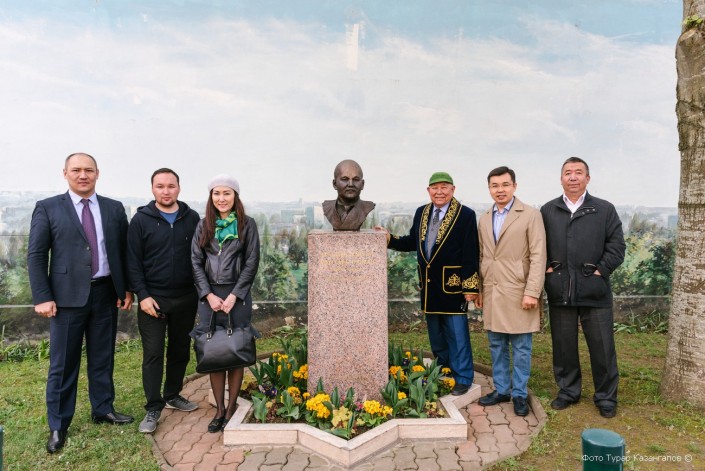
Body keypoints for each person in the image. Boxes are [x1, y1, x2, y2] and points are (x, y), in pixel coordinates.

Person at [27, 153, 134, 454]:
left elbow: (123, 252)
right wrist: (42, 296)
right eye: (76, 170)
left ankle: (103, 409)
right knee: (63, 364)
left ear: (98, 173)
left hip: (106, 293)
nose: (83, 175)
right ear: (65, 173)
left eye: (89, 170)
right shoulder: (48, 207)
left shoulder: (113, 208)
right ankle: (59, 424)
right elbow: (36, 255)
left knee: (103, 357)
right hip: (65, 299)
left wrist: (126, 288)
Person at [380, 172, 480, 395]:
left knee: (457, 334)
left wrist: (470, 287)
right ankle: (443, 369)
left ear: (453, 189)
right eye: (435, 188)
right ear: (428, 190)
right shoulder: (422, 212)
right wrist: (390, 239)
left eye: (444, 187)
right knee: (436, 334)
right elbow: (413, 241)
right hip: (429, 285)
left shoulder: (465, 215)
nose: (439, 192)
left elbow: (470, 252)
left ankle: (463, 377)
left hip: (453, 285)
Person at [541, 157, 625, 418]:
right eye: (568, 172)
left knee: (602, 348)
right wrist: (548, 270)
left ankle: (606, 397)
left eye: (579, 172)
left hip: (595, 290)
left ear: (588, 178)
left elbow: (617, 246)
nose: (573, 177)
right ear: (561, 179)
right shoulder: (548, 210)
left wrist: (600, 270)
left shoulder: (604, 209)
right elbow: (537, 246)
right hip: (560, 290)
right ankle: (568, 391)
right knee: (563, 346)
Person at [127, 168, 201, 433]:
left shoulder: (192, 218)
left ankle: (172, 394)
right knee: (154, 354)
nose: (166, 191)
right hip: (153, 300)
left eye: (171, 186)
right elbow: (132, 262)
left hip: (186, 297)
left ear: (179, 188)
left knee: (180, 350)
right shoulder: (140, 220)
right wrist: (143, 296)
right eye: (160, 186)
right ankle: (153, 407)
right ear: (152, 189)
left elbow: (200, 256)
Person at [191, 174, 260, 432]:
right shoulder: (203, 225)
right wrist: (208, 294)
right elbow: (195, 262)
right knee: (214, 351)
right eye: (217, 193)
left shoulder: (247, 225)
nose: (221, 198)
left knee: (236, 350)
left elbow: (252, 262)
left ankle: (231, 408)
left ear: (235, 196)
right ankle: (219, 410)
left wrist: (235, 295)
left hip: (237, 297)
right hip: (209, 297)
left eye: (227, 193)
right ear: (211, 197)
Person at [475, 166, 546, 417]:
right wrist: (480, 289)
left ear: (514, 186)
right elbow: (482, 256)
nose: (500, 190)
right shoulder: (484, 218)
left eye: (505, 184)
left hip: (519, 290)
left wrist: (532, 292)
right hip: (493, 290)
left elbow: (538, 255)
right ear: (489, 189)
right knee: (496, 344)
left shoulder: (530, 215)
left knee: (521, 346)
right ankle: (502, 389)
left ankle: (519, 394)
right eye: (495, 185)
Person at [322, 159, 376, 230]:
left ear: (362, 184)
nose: (350, 184)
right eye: (345, 179)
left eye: (356, 179)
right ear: (334, 184)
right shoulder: (327, 207)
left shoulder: (367, 208)